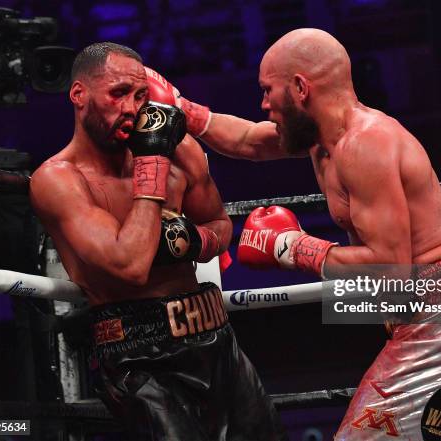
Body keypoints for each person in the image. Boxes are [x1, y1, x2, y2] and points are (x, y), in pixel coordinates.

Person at [169, 29, 441, 440]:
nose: (263, 105)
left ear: (300, 88)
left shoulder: (365, 144)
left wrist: (290, 246)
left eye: (268, 90)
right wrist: (182, 109)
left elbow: (389, 271)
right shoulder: (322, 140)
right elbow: (246, 140)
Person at [30, 42, 285, 441]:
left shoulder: (179, 149)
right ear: (78, 94)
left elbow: (219, 224)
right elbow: (130, 265)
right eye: (117, 94)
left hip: (216, 339)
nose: (132, 108)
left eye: (140, 95)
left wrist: (193, 242)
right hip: (140, 358)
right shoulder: (59, 181)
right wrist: (151, 160)